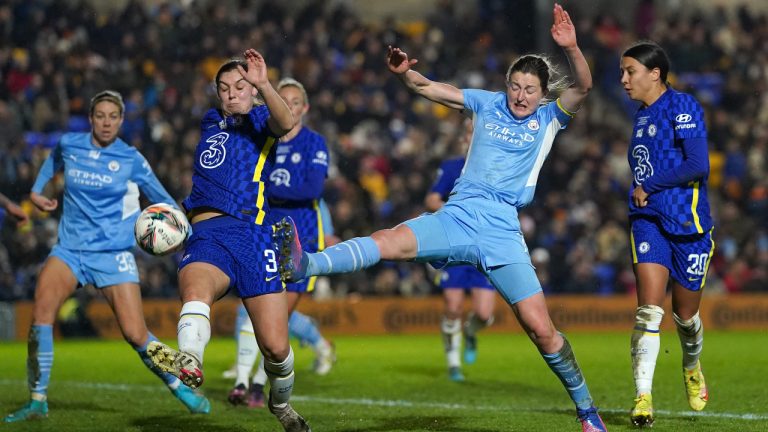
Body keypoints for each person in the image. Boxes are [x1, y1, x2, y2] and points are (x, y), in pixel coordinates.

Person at [275, 4, 607, 431]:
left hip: (503, 229)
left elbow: (584, 84)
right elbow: (431, 88)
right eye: (515, 86)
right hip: (458, 214)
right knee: (389, 240)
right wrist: (404, 74)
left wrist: (572, 47)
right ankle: (307, 264)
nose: (521, 96)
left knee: (541, 330)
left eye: (529, 89)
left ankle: (587, 411)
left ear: (542, 93)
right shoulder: (488, 104)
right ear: (506, 85)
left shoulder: (549, 117)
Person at [3, 90, 210, 423]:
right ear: (90, 118)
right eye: (100, 115)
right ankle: (37, 400)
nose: (106, 122)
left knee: (136, 334)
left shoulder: (131, 158)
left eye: (113, 116)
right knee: (40, 315)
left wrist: (187, 234)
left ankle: (178, 384)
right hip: (69, 250)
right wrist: (36, 192)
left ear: (122, 120)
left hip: (113, 253)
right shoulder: (70, 144)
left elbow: (165, 200)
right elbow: (52, 160)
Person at [145, 49, 311, 432]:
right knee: (194, 291)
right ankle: (189, 358)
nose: (232, 93)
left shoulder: (260, 119)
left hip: (252, 236)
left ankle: (282, 407)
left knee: (275, 349)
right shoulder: (210, 121)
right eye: (224, 88)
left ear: (253, 91)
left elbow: (285, 122)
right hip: (207, 234)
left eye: (240, 86)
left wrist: (264, 84)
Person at [620, 41, 713, 427]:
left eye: (630, 71)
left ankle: (691, 365)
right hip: (649, 220)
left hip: (689, 225)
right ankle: (643, 397)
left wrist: (652, 184)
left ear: (654, 73)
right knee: (649, 310)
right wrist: (646, 194)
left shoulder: (683, 106)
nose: (623, 80)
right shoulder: (640, 117)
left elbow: (698, 164)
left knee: (685, 318)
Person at [228, 78, 336, 408]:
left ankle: (259, 385)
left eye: (293, 101)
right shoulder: (266, 142)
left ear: (304, 108)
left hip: (301, 240)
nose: (287, 105)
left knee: (276, 320)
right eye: (281, 99)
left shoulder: (314, 143)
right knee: (255, 316)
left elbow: (311, 191)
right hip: (262, 233)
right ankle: (244, 382)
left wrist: (266, 192)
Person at [425, 118, 496, 382]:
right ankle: (453, 363)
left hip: (482, 247)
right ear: (464, 138)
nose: (471, 138)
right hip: (453, 246)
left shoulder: (493, 168)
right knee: (453, 305)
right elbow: (431, 198)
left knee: (484, 314)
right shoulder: (452, 166)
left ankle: (470, 332)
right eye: (469, 133)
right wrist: (455, 213)